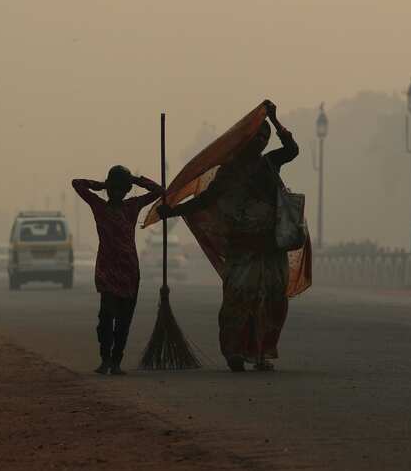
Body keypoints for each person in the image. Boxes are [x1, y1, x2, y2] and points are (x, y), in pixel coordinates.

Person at [158, 100, 298, 372]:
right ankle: (234, 353)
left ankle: (260, 354)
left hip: (270, 243)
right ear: (244, 140)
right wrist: (171, 211)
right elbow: (204, 201)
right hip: (242, 243)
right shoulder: (229, 171)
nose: (260, 141)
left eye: (264, 137)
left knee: (272, 298)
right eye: (256, 136)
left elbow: (292, 150)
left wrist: (276, 120)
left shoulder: (270, 163)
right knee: (237, 298)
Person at [72, 166, 163, 375]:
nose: (117, 192)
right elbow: (77, 183)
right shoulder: (99, 206)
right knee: (106, 317)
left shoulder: (132, 206)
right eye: (114, 188)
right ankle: (105, 359)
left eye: (122, 188)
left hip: (129, 270)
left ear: (127, 190)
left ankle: (116, 361)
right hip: (107, 270)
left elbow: (159, 192)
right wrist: (102, 185)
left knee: (124, 320)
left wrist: (136, 180)